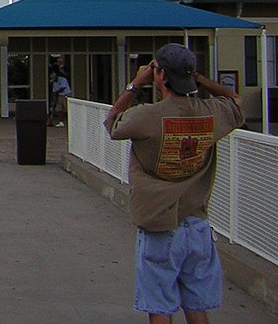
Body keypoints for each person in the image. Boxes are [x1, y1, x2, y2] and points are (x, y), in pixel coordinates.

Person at [104, 43, 244, 324]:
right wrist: (199, 80)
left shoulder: (148, 116)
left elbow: (112, 123)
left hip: (159, 223)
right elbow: (236, 100)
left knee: (159, 304)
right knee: (196, 305)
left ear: (161, 75)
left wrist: (135, 84)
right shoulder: (211, 112)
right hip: (197, 223)